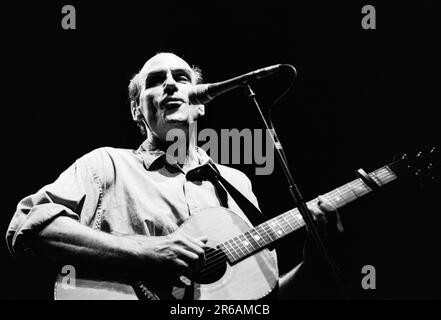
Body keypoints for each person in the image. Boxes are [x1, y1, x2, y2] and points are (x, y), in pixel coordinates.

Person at [6, 52, 338, 300]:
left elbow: (257, 299)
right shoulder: (105, 165)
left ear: (201, 103)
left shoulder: (237, 184)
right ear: (137, 110)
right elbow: (27, 226)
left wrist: (314, 265)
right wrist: (152, 252)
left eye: (181, 77)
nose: (169, 84)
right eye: (155, 81)